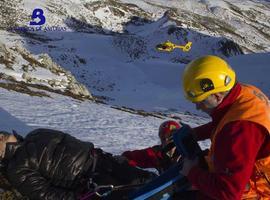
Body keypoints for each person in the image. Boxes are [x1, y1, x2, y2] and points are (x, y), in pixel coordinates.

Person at [179, 55, 270, 199]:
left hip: (259, 192)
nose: (197, 107)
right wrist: (197, 133)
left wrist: (192, 172)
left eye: (201, 101)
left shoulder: (240, 130)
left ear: (216, 96)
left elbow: (228, 192)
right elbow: (227, 119)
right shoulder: (243, 93)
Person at [0, 128, 156, 200]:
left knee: (156, 183)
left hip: (105, 161)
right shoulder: (17, 169)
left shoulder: (34, 134)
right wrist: (79, 197)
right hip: (94, 182)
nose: (0, 135)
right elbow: (46, 194)